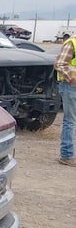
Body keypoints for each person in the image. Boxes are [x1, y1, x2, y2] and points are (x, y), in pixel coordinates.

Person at [53, 36, 76, 166]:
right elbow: (60, 64)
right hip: (70, 87)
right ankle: (67, 155)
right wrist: (72, 80)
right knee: (70, 121)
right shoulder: (72, 43)